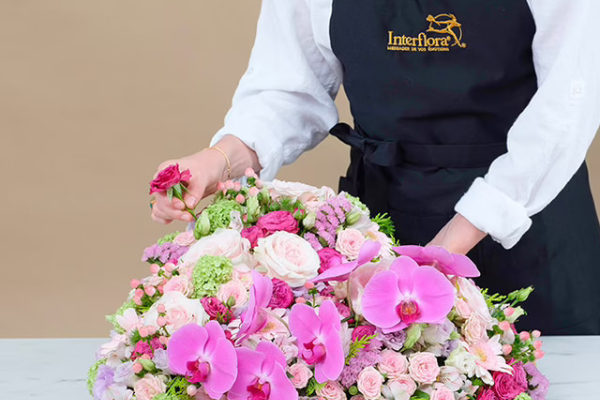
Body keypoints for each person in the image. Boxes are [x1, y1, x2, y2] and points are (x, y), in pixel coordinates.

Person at [149, 1, 600, 335]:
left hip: (531, 225)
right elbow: (289, 90)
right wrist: (219, 159)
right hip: (386, 224)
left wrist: (451, 243)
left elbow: (568, 105)